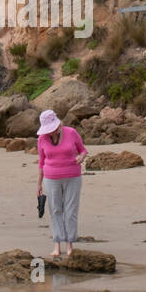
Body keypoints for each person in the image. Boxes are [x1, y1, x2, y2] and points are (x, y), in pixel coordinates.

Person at [35, 109, 87, 258]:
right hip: (51, 179)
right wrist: (39, 184)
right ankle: (57, 244)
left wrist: (81, 157)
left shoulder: (71, 132)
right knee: (56, 210)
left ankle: (70, 244)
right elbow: (41, 162)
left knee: (71, 211)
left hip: (73, 177)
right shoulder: (42, 139)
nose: (50, 132)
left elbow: (83, 150)